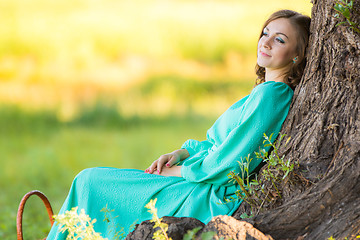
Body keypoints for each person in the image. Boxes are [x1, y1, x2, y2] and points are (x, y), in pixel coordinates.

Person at [47, 9, 311, 239]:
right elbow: (215, 143)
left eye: (280, 39)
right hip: (198, 177)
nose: (266, 42)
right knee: (90, 182)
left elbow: (230, 163)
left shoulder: (271, 96)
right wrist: (181, 153)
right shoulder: (262, 93)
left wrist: (179, 171)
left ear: (297, 55)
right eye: (265, 33)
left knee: (89, 182)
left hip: (207, 192)